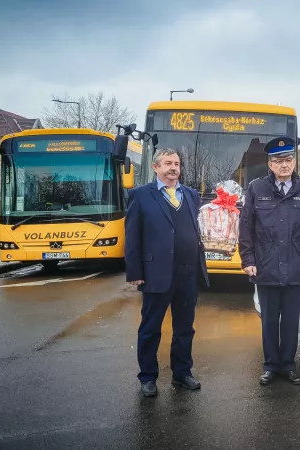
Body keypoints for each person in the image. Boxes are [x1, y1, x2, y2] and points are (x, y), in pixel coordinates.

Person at [124, 148, 210, 397]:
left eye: (177, 164)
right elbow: (132, 237)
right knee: (150, 328)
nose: (173, 168)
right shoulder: (140, 196)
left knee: (185, 328)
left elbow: (199, 228)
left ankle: (182, 373)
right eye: (168, 163)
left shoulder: (192, 195)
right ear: (155, 167)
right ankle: (148, 377)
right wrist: (134, 272)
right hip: (156, 274)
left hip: (188, 273)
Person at [239, 136, 300, 386]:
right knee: (269, 321)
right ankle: (270, 365)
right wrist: (248, 260)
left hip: (296, 266)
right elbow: (246, 229)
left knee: (290, 321)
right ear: (270, 164)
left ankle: (288, 365)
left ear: (294, 162)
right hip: (265, 267)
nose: (284, 165)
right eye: (278, 161)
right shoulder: (256, 189)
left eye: (288, 160)